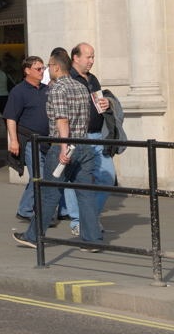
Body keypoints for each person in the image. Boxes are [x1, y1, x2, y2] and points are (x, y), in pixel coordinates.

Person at [13, 50, 103, 251]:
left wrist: (63, 147)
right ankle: (92, 240)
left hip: (62, 147)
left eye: (48, 66)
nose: (47, 70)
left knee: (49, 194)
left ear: (55, 67)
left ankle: (33, 236)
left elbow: (62, 120)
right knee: (86, 194)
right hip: (84, 145)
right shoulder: (81, 87)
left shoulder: (57, 89)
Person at [62, 42, 115, 237]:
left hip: (98, 135)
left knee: (107, 178)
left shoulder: (93, 79)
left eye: (93, 56)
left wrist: (107, 103)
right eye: (88, 57)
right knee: (74, 180)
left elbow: (99, 104)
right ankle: (78, 221)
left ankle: (89, 218)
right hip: (78, 136)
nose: (92, 60)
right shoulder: (68, 79)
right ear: (76, 58)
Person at [4, 56, 49, 222]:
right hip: (30, 141)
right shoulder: (18, 91)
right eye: (38, 69)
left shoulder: (47, 89)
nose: (42, 72)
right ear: (27, 70)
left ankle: (40, 210)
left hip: (47, 140)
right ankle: (25, 209)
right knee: (38, 175)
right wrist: (13, 141)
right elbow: (11, 118)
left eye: (43, 68)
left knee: (47, 176)